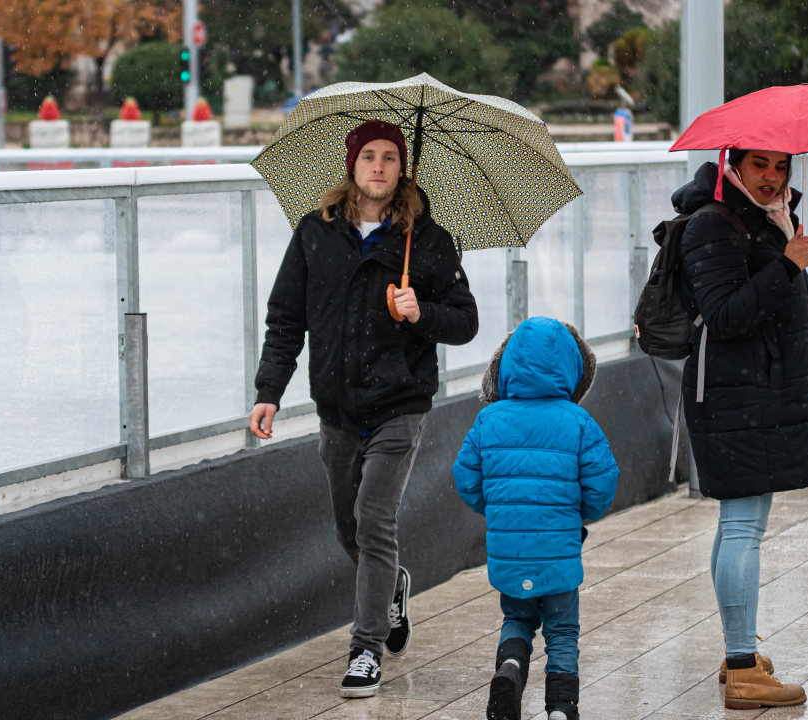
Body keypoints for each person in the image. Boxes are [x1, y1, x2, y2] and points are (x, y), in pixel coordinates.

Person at [249, 119, 479, 698]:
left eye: (390, 158)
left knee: (375, 522)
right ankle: (391, 586)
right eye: (369, 156)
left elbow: (466, 321)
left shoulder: (427, 240)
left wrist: (419, 310)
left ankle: (365, 649)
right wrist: (268, 391)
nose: (379, 167)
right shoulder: (314, 234)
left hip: (400, 405)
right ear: (351, 166)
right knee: (349, 528)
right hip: (337, 409)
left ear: (404, 170)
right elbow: (285, 319)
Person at [674, 150, 808, 710]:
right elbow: (725, 313)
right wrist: (787, 264)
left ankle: (737, 654)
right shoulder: (714, 223)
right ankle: (742, 666)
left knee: (741, 522)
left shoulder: (765, 218)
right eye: (759, 164)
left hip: (755, 393)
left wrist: (783, 243)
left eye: (781, 167)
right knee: (743, 526)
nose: (772, 176)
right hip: (732, 396)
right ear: (731, 167)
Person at [453, 317, 619, 720]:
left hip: (510, 549)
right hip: (560, 550)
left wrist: (496, 509)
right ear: (571, 368)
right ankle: (561, 709)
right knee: (562, 632)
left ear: (507, 364)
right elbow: (603, 482)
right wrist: (579, 512)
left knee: (517, 617)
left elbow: (465, 477)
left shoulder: (488, 420)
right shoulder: (579, 422)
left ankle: (509, 669)